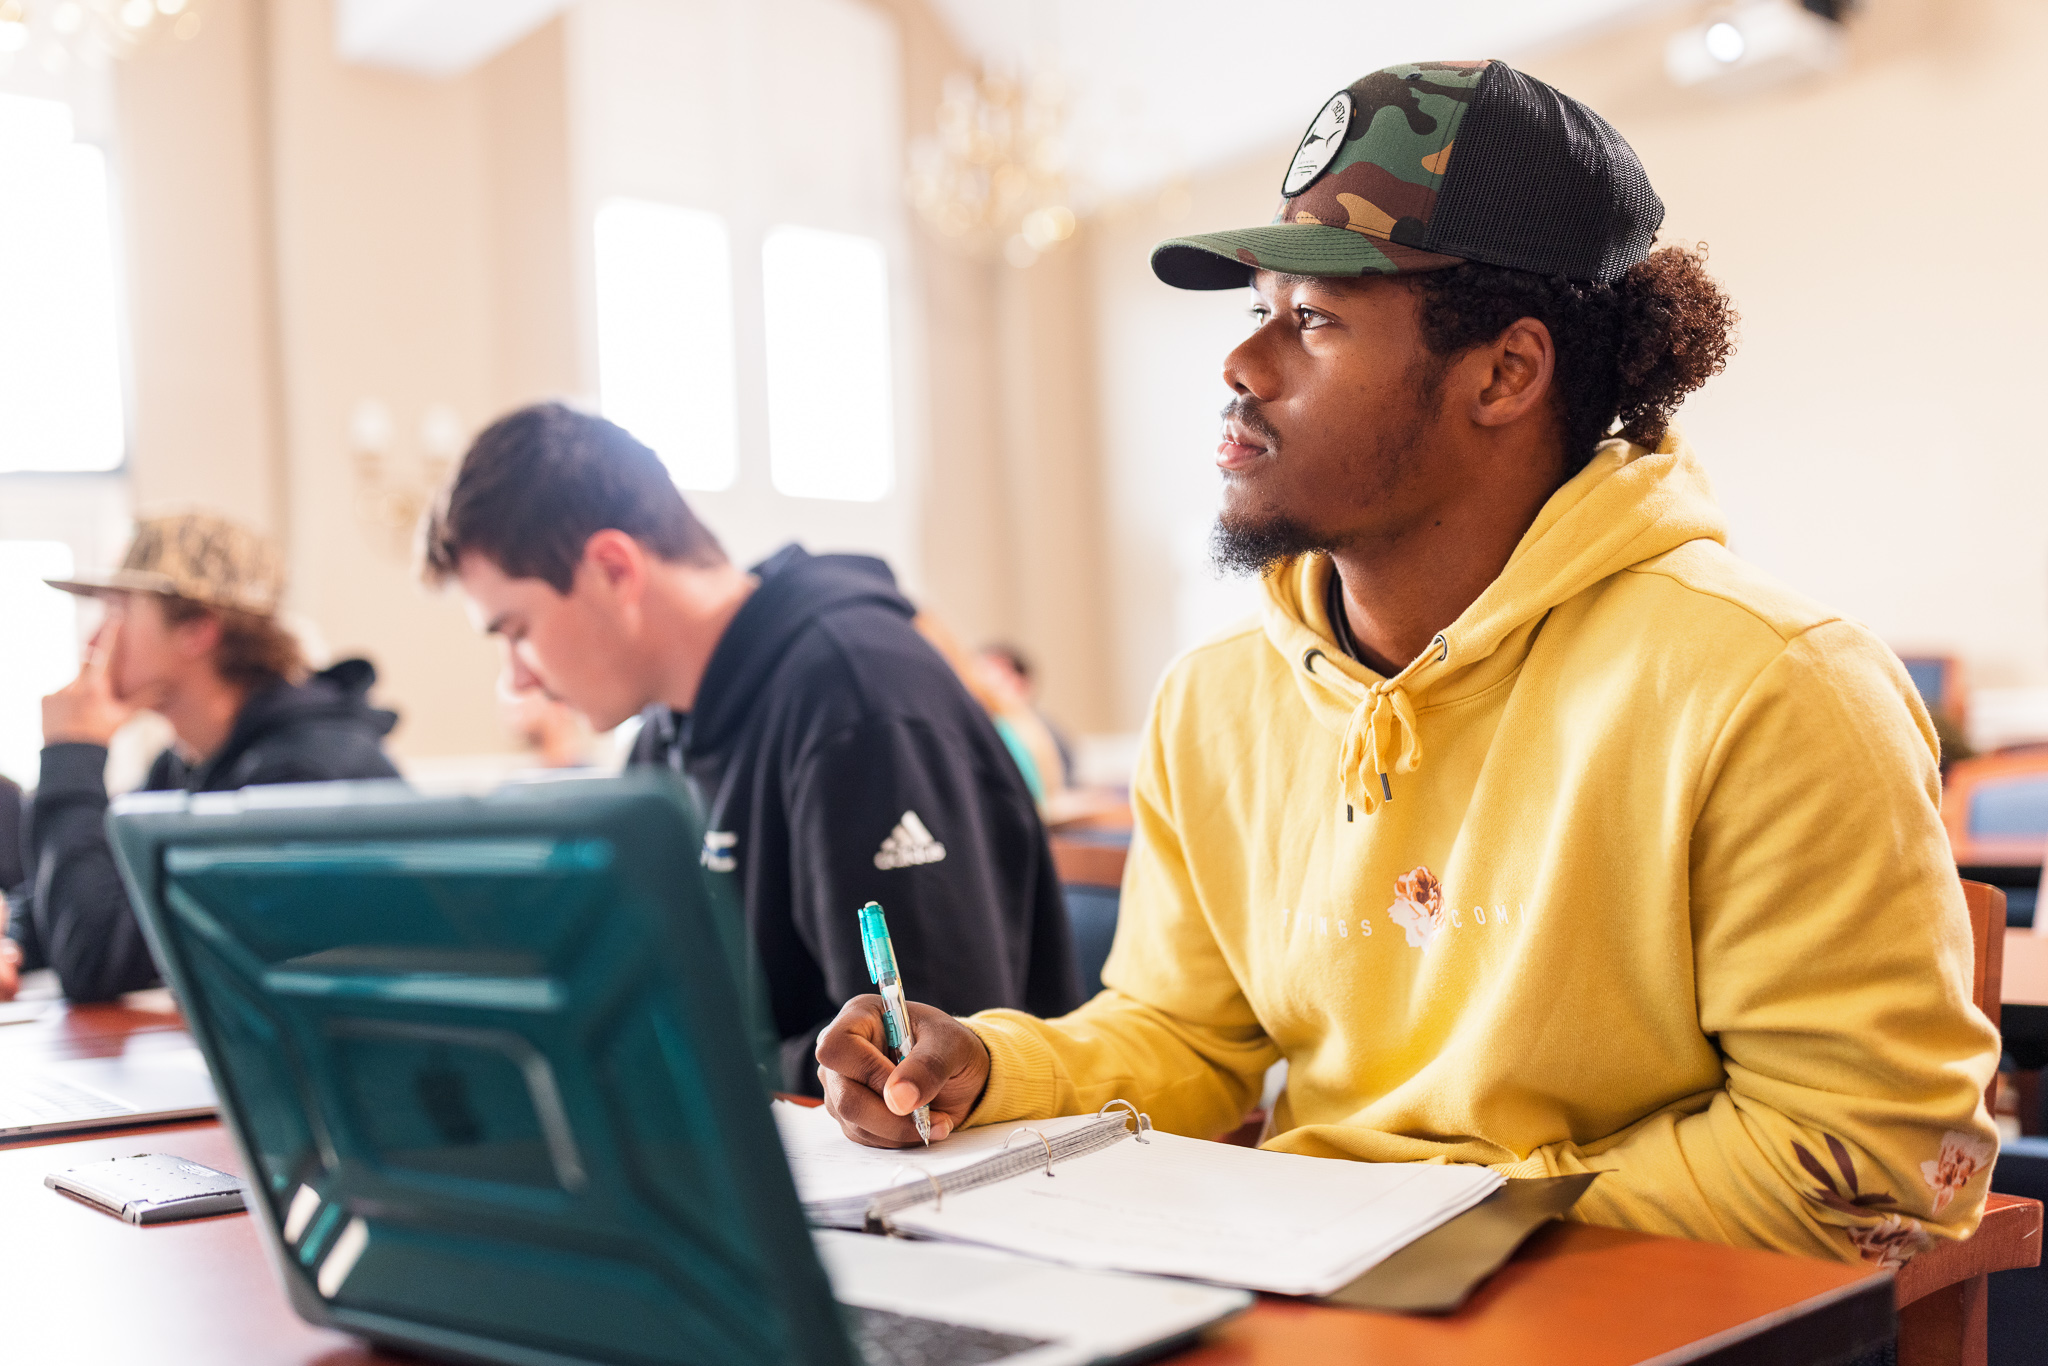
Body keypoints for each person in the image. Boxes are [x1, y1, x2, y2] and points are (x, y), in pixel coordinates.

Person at [816, 58, 2000, 1270]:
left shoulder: (1772, 685)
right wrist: (996, 1069)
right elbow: (1186, 1033)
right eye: (1255, 310)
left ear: (1503, 372)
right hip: (1315, 1290)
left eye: (1314, 320)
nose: (1243, 364)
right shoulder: (1217, 698)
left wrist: (1435, 1218)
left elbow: (1865, 1155)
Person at [419, 403, 1079, 1093]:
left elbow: (917, 1074)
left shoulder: (859, 698)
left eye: (515, 629)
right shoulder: (660, 741)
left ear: (614, 569)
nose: (516, 675)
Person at [2, 513, 401, 1002]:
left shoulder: (303, 778)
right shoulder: (184, 764)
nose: (94, 642)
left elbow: (96, 959)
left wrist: (72, 752)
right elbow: (83, 900)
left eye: (117, 610)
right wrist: (13, 943)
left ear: (196, 629)